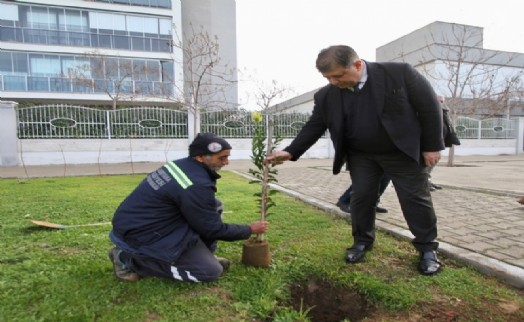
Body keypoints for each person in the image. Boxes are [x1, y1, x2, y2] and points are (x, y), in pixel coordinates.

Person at [266, 45, 444, 275]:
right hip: (362, 155)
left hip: (401, 152)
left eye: (338, 75)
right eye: (327, 77)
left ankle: (427, 249)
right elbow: (315, 125)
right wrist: (291, 151)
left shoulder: (398, 73)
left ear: (358, 65)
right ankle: (362, 241)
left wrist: (431, 146)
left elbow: (430, 109)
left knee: (414, 200)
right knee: (361, 199)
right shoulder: (326, 95)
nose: (333, 81)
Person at [108, 133, 269, 282]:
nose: (226, 162)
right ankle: (127, 258)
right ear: (200, 157)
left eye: (227, 157)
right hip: (143, 234)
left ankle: (202, 255)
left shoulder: (182, 165)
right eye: (222, 158)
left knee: (214, 205)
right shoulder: (194, 184)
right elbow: (212, 229)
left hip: (148, 223)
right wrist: (249, 230)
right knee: (208, 272)